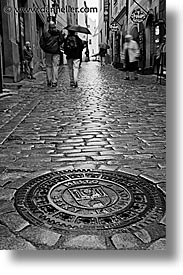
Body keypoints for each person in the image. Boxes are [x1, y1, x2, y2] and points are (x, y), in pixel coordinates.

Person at [40, 21, 64, 87]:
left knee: (48, 66)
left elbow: (41, 43)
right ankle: (54, 81)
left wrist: (45, 49)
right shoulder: (58, 33)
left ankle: (49, 80)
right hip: (56, 52)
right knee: (55, 66)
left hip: (48, 52)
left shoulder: (45, 33)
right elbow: (61, 40)